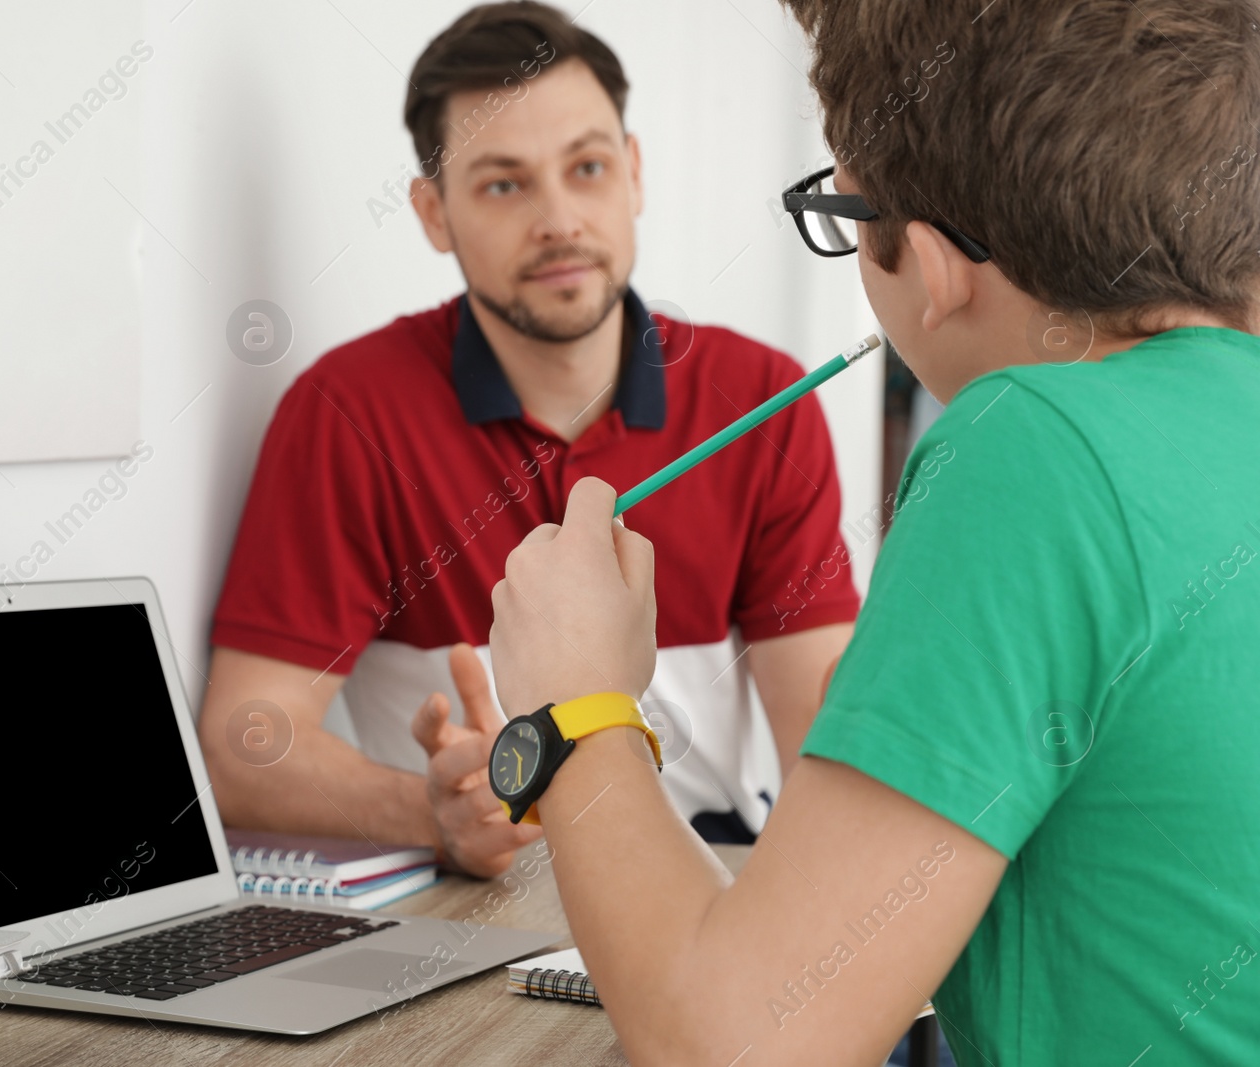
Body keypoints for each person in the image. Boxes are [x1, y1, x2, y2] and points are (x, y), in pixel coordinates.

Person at [480, 0, 1260, 1061]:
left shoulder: (1033, 442)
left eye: (842, 210)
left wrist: (570, 706)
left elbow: (744, 1042)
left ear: (933, 266)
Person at [200, 2, 860, 878]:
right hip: (471, 902)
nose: (558, 219)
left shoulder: (766, 401)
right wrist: (434, 811)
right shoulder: (347, 413)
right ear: (434, 213)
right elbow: (243, 743)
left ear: (632, 174)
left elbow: (826, 734)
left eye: (586, 167)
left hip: (711, 876)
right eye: (504, 183)